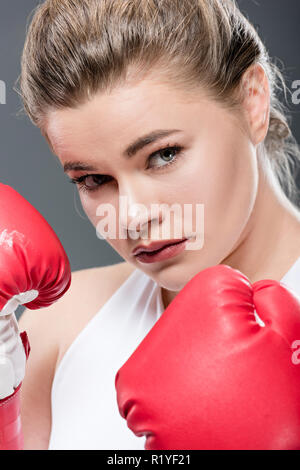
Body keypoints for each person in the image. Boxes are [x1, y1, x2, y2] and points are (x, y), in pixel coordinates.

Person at [15, 0, 300, 449]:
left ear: (252, 102)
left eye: (163, 155)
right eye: (93, 179)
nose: (130, 216)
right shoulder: (55, 326)